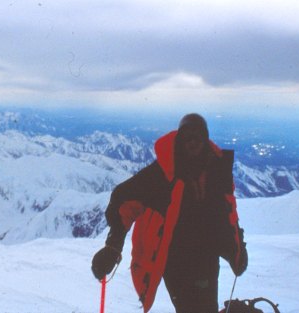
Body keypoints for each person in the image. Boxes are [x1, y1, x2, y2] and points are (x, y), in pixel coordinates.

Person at [91, 113, 248, 313]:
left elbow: (227, 213)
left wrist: (236, 247)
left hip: (207, 258)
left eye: (198, 137)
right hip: (176, 260)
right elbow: (124, 201)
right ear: (180, 139)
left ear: (205, 139)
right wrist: (113, 246)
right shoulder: (163, 174)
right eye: (187, 137)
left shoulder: (216, 172)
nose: (193, 143)